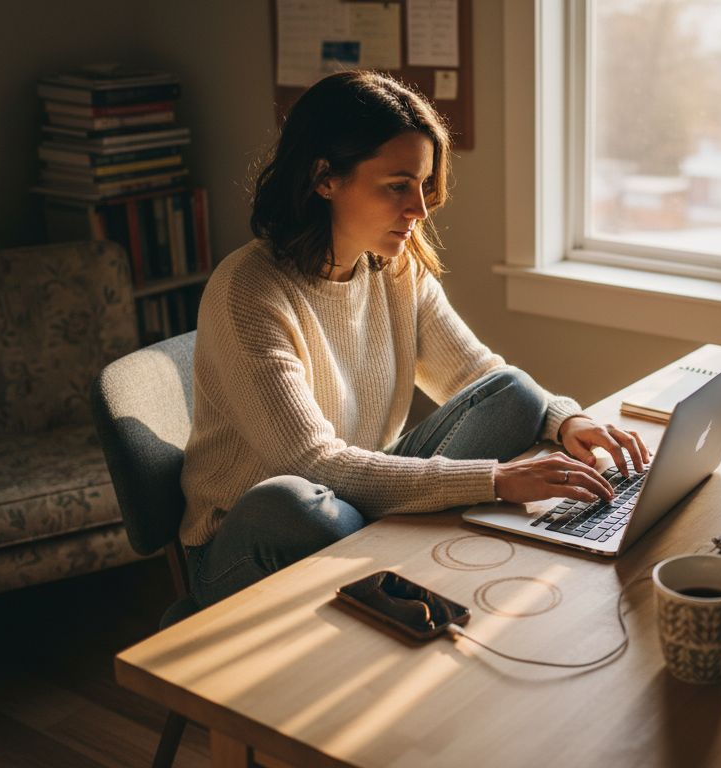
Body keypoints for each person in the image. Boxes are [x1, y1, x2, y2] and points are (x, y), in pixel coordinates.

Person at [179, 71, 649, 608]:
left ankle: (390, 567)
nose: (420, 210)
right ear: (323, 178)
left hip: (351, 508)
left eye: (424, 185)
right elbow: (313, 465)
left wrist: (568, 420)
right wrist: (496, 480)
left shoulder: (394, 268)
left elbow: (480, 377)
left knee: (515, 392)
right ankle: (398, 562)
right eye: (397, 185)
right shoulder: (249, 290)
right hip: (251, 539)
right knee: (299, 504)